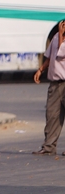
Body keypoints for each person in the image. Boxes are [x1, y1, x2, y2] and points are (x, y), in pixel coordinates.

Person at [33, 19, 65, 155]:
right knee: (52, 115)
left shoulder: (60, 39)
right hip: (55, 83)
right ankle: (49, 147)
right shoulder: (56, 37)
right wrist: (41, 70)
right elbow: (50, 57)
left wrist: (62, 35)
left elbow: (61, 52)